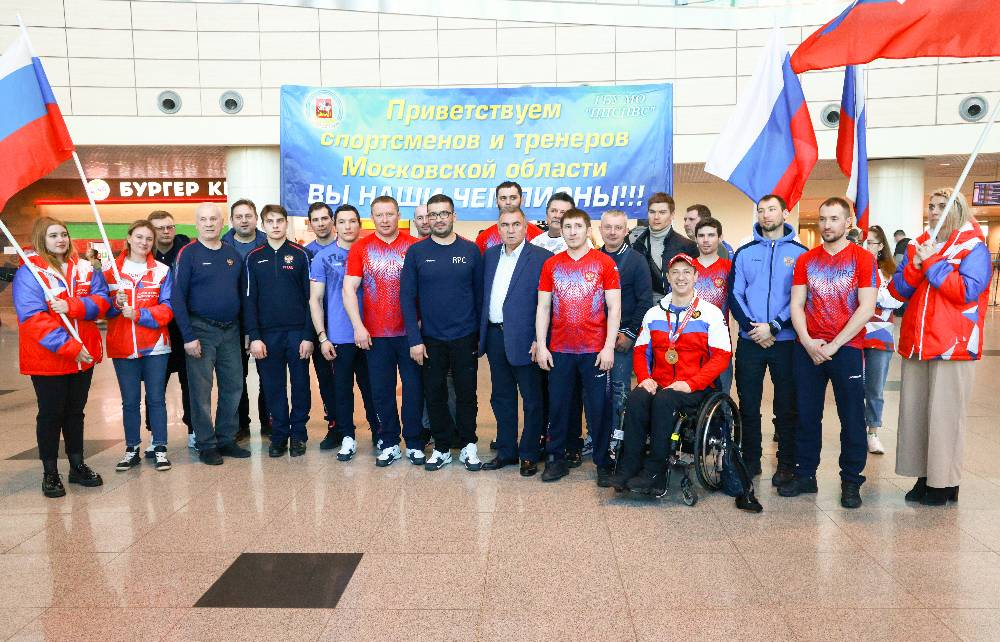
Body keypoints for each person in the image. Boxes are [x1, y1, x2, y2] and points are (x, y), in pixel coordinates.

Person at [891, 188, 992, 506]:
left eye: (941, 206)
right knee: (917, 413)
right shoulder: (919, 244)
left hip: (953, 344)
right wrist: (916, 263)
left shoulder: (973, 247)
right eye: (931, 206)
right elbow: (899, 290)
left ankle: (945, 481)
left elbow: (966, 290)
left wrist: (933, 263)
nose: (933, 211)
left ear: (957, 210)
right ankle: (924, 475)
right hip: (918, 342)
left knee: (945, 416)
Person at [607, 254, 731, 494]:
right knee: (636, 398)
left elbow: (721, 357)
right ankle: (628, 467)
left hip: (695, 387)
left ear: (696, 276)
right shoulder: (654, 313)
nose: (681, 277)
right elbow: (641, 351)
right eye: (675, 272)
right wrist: (644, 378)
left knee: (664, 400)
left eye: (686, 272)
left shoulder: (710, 313)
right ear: (667, 277)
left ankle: (655, 472)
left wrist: (691, 384)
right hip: (660, 382)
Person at [783, 197, 876, 509]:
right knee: (806, 415)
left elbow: (866, 307)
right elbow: (797, 304)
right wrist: (808, 341)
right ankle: (805, 475)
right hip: (808, 349)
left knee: (852, 417)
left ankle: (851, 480)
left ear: (847, 223)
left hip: (846, 349)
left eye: (834, 219)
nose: (827, 225)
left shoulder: (863, 259)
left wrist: (834, 345)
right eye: (823, 219)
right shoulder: (806, 260)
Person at [13, 217, 110, 497]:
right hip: (49, 358)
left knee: (75, 413)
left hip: (83, 356)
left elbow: (102, 300)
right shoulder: (30, 273)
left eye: (63, 234)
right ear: (41, 239)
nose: (60, 240)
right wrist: (69, 347)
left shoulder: (85, 268)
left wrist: (72, 306)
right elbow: (33, 318)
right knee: (51, 414)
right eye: (53, 235)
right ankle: (50, 472)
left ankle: (77, 465)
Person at [535, 208, 621, 484]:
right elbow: (543, 307)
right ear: (561, 230)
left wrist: (609, 347)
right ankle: (556, 459)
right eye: (567, 227)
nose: (572, 232)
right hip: (560, 349)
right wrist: (542, 345)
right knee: (559, 406)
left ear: (587, 230)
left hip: (594, 351)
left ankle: (603, 463)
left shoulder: (604, 263)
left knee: (599, 409)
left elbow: (614, 307)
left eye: (577, 226)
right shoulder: (551, 264)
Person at [401, 194, 484, 471]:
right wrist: (414, 339)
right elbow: (407, 298)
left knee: (466, 393)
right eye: (433, 214)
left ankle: (469, 444)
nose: (438, 219)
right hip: (431, 340)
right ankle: (442, 447)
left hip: (465, 337)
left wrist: (480, 338)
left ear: (453, 216)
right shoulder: (416, 252)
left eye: (444, 213)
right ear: (427, 218)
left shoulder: (471, 251)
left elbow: (480, 297)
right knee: (434, 394)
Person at [729, 194, 807, 484]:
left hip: (785, 342)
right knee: (748, 404)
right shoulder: (744, 252)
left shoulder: (800, 253)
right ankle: (751, 460)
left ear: (785, 214)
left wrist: (773, 327)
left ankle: (785, 464)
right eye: (761, 210)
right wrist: (754, 328)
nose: (765, 215)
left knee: (786, 406)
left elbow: (801, 297)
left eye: (772, 209)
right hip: (750, 341)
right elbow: (734, 294)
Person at [343, 195, 426, 466]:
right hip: (375, 336)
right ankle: (389, 442)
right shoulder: (360, 248)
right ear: (372, 218)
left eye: (390, 214)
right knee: (381, 391)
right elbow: (349, 289)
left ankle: (414, 443)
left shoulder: (414, 247)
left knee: (414, 389)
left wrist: (421, 325)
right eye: (379, 215)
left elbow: (426, 290)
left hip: (410, 334)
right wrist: (358, 326)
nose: (385, 219)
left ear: (398, 215)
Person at [172, 202, 251, 465]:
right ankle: (206, 443)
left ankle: (226, 438)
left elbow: (242, 296)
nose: (209, 224)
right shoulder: (188, 254)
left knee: (234, 386)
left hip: (231, 330)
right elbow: (177, 297)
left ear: (222, 222)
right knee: (201, 391)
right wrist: (187, 336)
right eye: (204, 219)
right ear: (196, 224)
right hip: (200, 330)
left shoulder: (232, 254)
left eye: (213, 219)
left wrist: (247, 331)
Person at [479, 209, 553, 476]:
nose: (510, 230)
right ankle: (506, 450)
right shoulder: (489, 256)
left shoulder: (542, 258)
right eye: (505, 225)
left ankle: (529, 453)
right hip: (495, 336)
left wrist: (539, 340)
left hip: (527, 340)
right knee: (501, 397)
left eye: (516, 224)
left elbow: (550, 304)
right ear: (498, 228)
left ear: (525, 227)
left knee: (532, 399)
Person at [310, 204, 381, 460]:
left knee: (373, 388)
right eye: (342, 222)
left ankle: (379, 432)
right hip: (339, 336)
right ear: (335, 225)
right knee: (342, 389)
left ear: (360, 224)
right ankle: (347, 436)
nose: (347, 226)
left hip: (372, 334)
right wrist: (323, 337)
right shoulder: (323, 257)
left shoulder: (371, 252)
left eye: (352, 221)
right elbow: (315, 300)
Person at [242, 205, 314, 458]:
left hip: (297, 333)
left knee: (300, 385)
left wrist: (308, 335)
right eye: (270, 221)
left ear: (286, 223)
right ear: (263, 225)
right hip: (267, 335)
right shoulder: (253, 257)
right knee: (273, 387)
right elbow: (249, 299)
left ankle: (299, 435)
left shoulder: (301, 255)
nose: (275, 225)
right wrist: (254, 336)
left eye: (279, 221)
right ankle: (279, 435)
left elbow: (312, 299)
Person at [104, 220, 174, 473]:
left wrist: (140, 314)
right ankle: (131, 448)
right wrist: (115, 303)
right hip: (123, 345)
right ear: (129, 237)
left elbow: (168, 308)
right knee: (130, 401)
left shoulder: (162, 271)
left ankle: (160, 447)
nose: (144, 242)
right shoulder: (110, 271)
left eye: (148, 239)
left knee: (156, 399)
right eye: (139, 237)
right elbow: (100, 308)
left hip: (155, 345)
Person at [598, 209, 653, 437]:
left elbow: (645, 301)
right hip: (596, 338)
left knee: (619, 390)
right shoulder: (593, 258)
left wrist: (630, 334)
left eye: (618, 227)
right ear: (600, 229)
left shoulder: (637, 261)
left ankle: (617, 439)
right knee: (595, 392)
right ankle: (595, 436)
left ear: (626, 231)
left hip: (623, 339)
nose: (612, 232)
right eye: (608, 227)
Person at [222, 198, 268, 442]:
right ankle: (241, 423)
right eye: (238, 217)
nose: (243, 221)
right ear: (231, 220)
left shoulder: (268, 242)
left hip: (264, 320)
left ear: (256, 218)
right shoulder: (220, 245)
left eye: (248, 216)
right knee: (235, 375)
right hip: (232, 322)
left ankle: (269, 421)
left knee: (267, 373)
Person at [149, 210, 194, 449]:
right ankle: (155, 434)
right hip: (156, 331)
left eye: (170, 227)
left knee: (191, 384)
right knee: (156, 386)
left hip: (184, 329)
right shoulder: (145, 256)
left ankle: (194, 430)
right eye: (160, 228)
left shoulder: (187, 252)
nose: (166, 232)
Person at [862, 225, 903, 455]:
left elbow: (896, 300)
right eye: (864, 242)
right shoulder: (854, 266)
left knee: (875, 388)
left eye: (871, 242)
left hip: (880, 334)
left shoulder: (889, 271)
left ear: (880, 246)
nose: (867, 246)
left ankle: (873, 432)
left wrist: (872, 293)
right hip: (854, 334)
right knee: (854, 387)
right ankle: (856, 430)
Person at [304, 202, 340, 444]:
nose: (321, 223)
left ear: (332, 220)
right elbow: (306, 296)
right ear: (310, 224)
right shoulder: (305, 253)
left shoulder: (349, 246)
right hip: (321, 326)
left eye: (324, 218)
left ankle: (376, 424)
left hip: (349, 324)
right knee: (326, 379)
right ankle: (334, 424)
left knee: (364, 378)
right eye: (315, 220)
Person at [627, 192, 697, 303]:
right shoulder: (636, 244)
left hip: (678, 304)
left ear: (672, 215)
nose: (656, 217)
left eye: (662, 212)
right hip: (644, 305)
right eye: (652, 212)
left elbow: (695, 282)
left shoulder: (687, 246)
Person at [693, 217, 733, 393]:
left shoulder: (729, 268)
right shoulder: (687, 268)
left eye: (711, 235)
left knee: (721, 395)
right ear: (696, 238)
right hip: (690, 341)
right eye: (701, 235)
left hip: (720, 341)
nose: (706, 240)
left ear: (720, 237)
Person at [474, 181, 544, 253]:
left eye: (513, 198)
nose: (508, 202)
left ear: (522, 200)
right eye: (503, 198)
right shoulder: (483, 238)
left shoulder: (538, 236)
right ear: (496, 201)